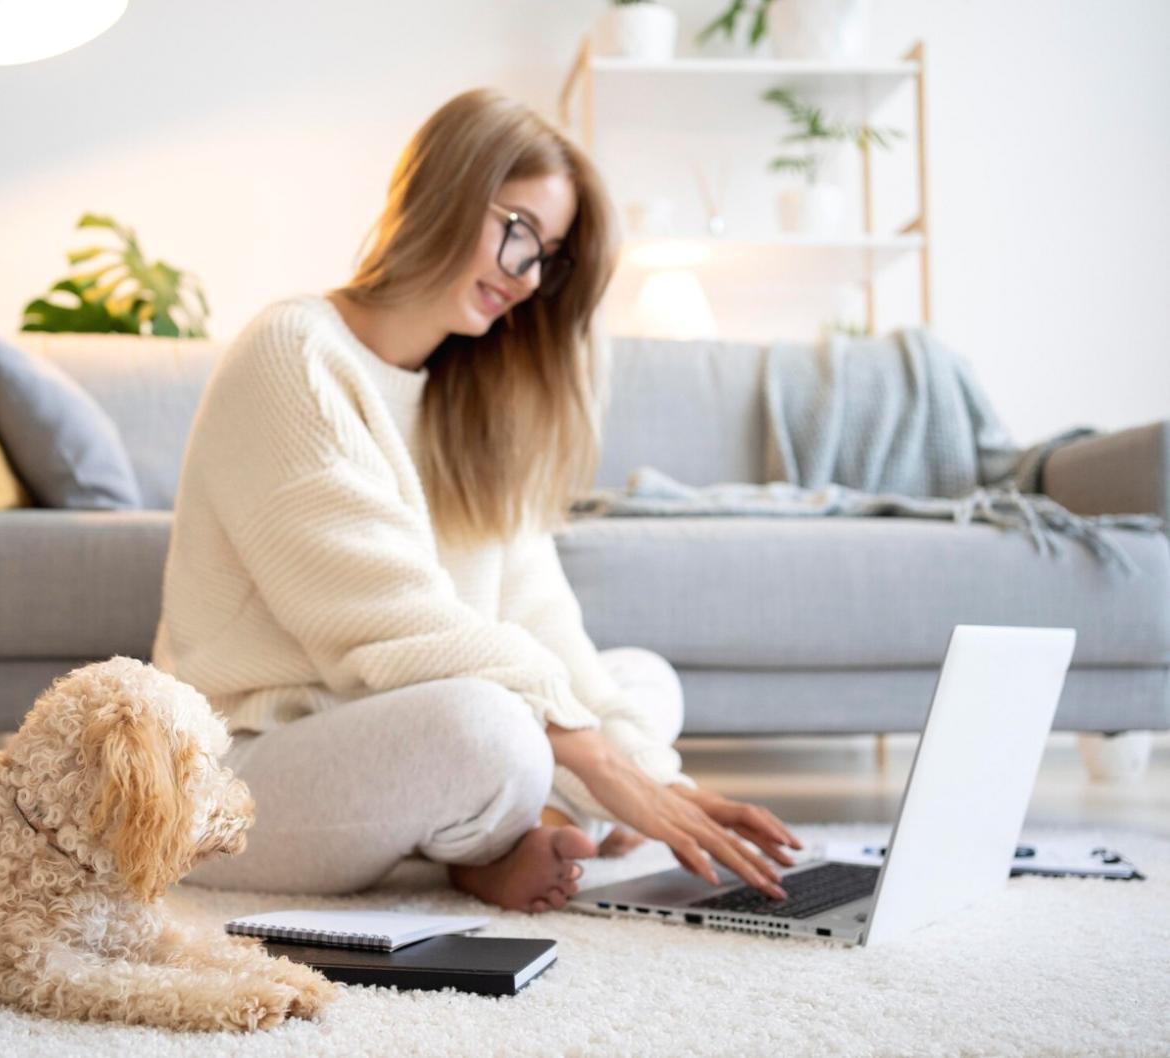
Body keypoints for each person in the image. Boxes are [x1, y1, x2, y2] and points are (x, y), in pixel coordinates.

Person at [153, 86, 801, 914]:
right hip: (243, 771)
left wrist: (663, 786)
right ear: (445, 191)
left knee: (639, 682)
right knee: (496, 733)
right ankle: (510, 827)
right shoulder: (294, 354)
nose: (526, 278)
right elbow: (389, 626)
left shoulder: (476, 404)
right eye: (519, 231)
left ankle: (500, 832)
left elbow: (541, 622)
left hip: (407, 734)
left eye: (550, 257)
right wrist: (604, 769)